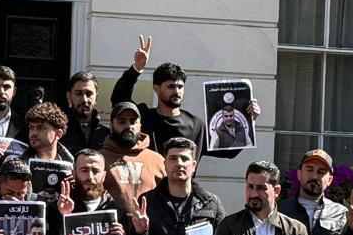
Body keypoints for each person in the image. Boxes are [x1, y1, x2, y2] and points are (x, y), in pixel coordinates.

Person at [111, 36, 260, 157]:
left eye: (180, 87)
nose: (177, 91)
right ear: (156, 88)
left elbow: (228, 151)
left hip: (183, 185)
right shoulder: (143, 118)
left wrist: (249, 119)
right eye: (170, 86)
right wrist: (136, 69)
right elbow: (119, 99)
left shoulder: (196, 125)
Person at [101, 102, 166, 207]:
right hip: (112, 217)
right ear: (111, 125)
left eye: (133, 121)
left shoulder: (157, 160)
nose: (128, 126)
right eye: (122, 122)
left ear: (140, 125)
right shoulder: (99, 160)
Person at [61, 70, 109, 155]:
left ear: (96, 97)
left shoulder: (106, 134)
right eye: (78, 94)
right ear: (69, 96)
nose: (84, 99)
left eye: (89, 94)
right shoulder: (59, 131)